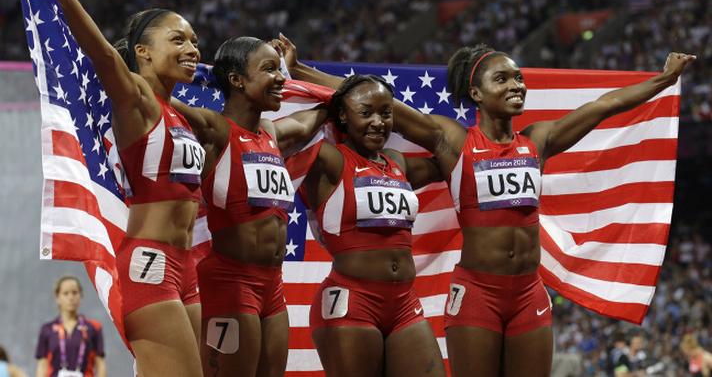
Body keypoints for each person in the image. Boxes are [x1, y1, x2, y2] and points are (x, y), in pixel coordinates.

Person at [280, 34, 695, 377]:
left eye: (518, 77)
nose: (517, 84)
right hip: (477, 292)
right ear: (476, 93)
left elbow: (603, 107)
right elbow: (376, 103)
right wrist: (300, 72)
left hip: (530, 291)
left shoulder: (539, 140)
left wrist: (663, 80)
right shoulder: (453, 141)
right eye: (503, 79)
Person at [18, 0, 205, 377]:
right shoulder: (136, 100)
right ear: (143, 53)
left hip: (185, 266)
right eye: (177, 40)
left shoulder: (177, 114)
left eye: (194, 40)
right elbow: (104, 57)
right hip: (151, 264)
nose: (192, 49)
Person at [170, 36, 329, 377]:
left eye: (279, 70)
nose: (280, 79)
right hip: (230, 282)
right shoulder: (215, 129)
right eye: (269, 69)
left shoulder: (271, 132)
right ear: (237, 80)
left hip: (274, 286)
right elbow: (155, 97)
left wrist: (300, 69)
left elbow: (332, 106)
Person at [277, 62, 447, 376]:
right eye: (365, 112)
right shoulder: (329, 159)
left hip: (405, 303)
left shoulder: (397, 162)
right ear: (342, 114)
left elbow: (448, 154)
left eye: (386, 113)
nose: (378, 122)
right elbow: (284, 137)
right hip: (351, 302)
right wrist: (304, 76)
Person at [35, 275, 106, 377]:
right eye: (65, 293)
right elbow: (42, 365)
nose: (71, 297)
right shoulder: (47, 329)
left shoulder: (93, 327)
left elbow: (100, 363)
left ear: (80, 296)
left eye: (74, 293)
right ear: (57, 297)